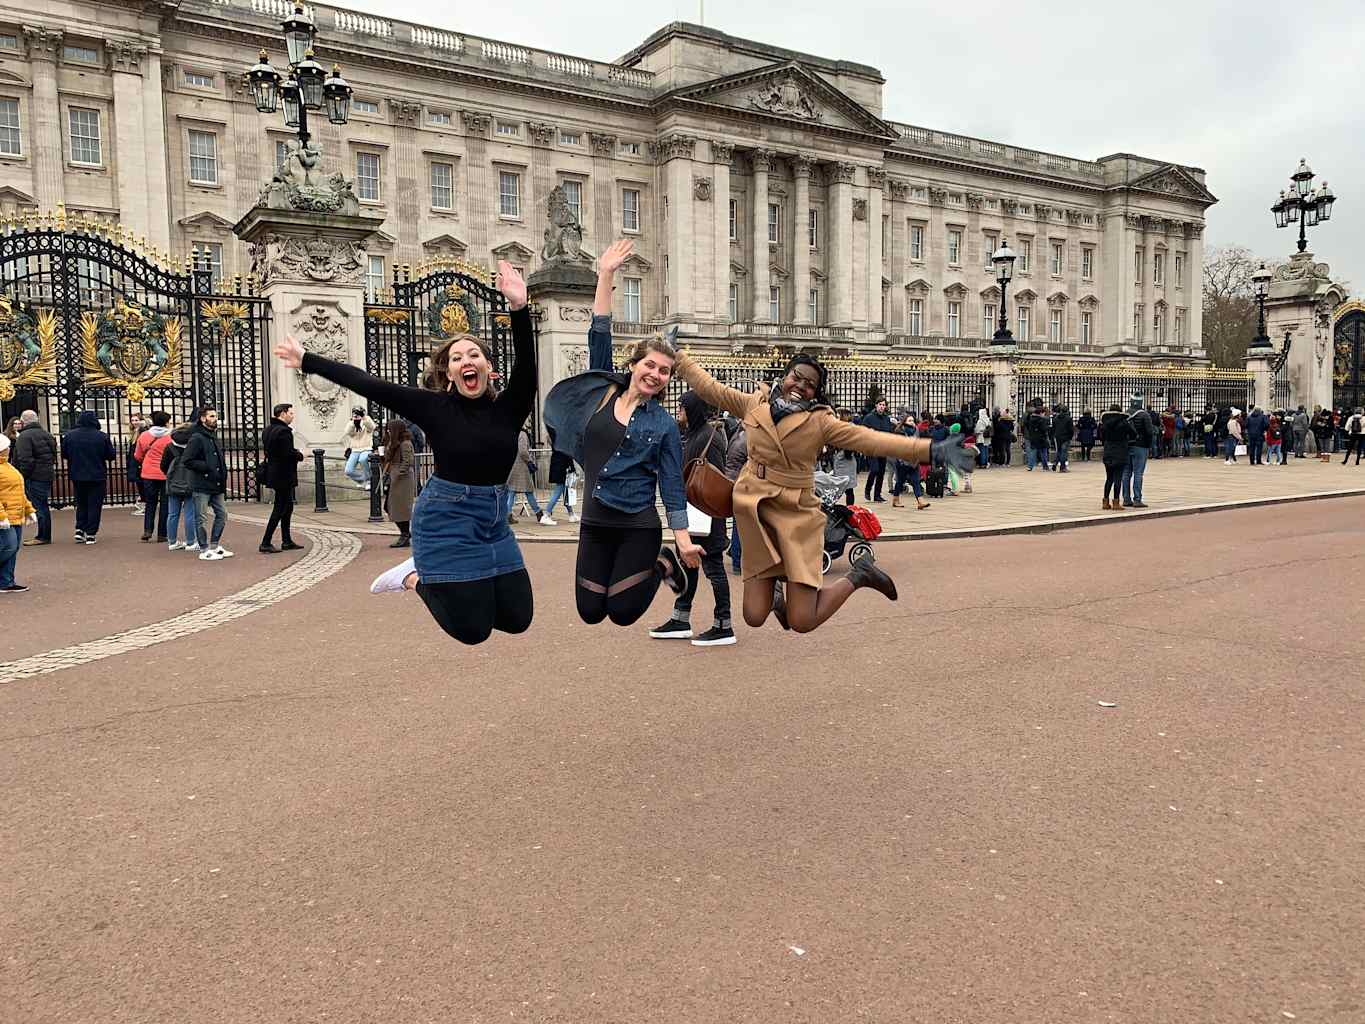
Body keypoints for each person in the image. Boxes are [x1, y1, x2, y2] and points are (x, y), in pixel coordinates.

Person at [275, 260, 537, 646]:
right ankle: (411, 577)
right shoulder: (433, 407)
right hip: (446, 517)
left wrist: (518, 307)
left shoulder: (510, 407)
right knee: (473, 632)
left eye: (474, 355)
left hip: (493, 521)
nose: (467, 361)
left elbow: (528, 366)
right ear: (448, 373)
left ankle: (434, 573)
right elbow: (368, 382)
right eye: (457, 358)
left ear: (489, 369)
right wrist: (308, 360)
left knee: (517, 620)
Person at [672, 346, 978, 634]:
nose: (800, 386)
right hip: (757, 513)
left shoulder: (821, 421)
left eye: (810, 384)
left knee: (803, 621)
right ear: (785, 375)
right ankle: (777, 579)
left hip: (796, 515)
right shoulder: (755, 404)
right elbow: (710, 387)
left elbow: (871, 439)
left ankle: (860, 574)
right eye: (797, 377)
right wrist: (679, 356)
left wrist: (931, 450)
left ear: (816, 392)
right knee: (753, 616)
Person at [543, 239, 702, 629]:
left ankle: (664, 561)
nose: (656, 374)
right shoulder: (602, 390)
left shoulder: (663, 424)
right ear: (634, 364)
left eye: (665, 371)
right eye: (650, 364)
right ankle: (661, 565)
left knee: (624, 613)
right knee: (591, 611)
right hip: (596, 521)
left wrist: (681, 538)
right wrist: (606, 273)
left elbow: (671, 484)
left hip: (638, 523)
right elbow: (598, 331)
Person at [650, 390, 736, 646]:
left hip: (707, 514)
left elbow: (715, 479)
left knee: (714, 569)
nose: (678, 412)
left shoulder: (709, 437)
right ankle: (681, 618)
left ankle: (724, 625)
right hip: (696, 511)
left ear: (693, 410)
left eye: (682, 408)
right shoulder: (695, 434)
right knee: (690, 565)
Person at [183, 405, 232, 560]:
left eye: (215, 416)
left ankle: (215, 545)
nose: (214, 419)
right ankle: (204, 549)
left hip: (216, 484)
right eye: (211, 416)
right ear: (203, 418)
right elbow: (187, 460)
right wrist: (207, 467)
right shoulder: (197, 437)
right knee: (201, 517)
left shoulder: (213, 435)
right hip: (202, 483)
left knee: (222, 514)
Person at [61, 410, 116, 544]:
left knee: (81, 503)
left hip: (77, 474)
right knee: (94, 505)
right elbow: (111, 455)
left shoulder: (69, 436)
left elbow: (64, 454)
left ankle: (80, 529)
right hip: (97, 475)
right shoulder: (102, 436)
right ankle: (91, 532)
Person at [259, 402, 305, 553]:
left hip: (275, 472)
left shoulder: (268, 430)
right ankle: (266, 542)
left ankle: (286, 540)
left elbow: (276, 451)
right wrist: (301, 454)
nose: (292, 416)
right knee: (279, 508)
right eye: (290, 413)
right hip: (283, 474)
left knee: (288, 506)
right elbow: (287, 454)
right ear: (283, 414)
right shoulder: (284, 431)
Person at [12, 410, 56, 546]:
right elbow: (54, 454)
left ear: (23, 421)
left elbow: (25, 460)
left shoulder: (24, 436)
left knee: (39, 507)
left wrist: (22, 476)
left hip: (34, 476)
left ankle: (43, 536)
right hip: (46, 473)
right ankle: (44, 535)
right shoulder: (47, 434)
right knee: (43, 505)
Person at [0, 433, 37, 592]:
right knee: (8, 547)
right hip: (5, 516)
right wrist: (1, 516)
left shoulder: (8, 466)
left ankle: (6, 582)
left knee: (12, 549)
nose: (9, 449)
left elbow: (19, 492)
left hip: (14, 514)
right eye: (6, 447)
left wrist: (29, 509)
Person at [133, 410, 173, 543]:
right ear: (166, 422)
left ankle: (147, 530)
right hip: (165, 473)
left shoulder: (144, 436)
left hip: (148, 473)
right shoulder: (171, 437)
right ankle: (162, 534)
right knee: (165, 504)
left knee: (150, 503)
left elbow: (137, 456)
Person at [161, 414, 200, 551]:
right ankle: (190, 542)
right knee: (190, 513)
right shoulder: (194, 446)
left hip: (173, 483)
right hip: (191, 482)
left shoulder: (169, 447)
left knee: (172, 514)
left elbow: (163, 466)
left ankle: (172, 542)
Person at [381, 417, 416, 548]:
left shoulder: (405, 443)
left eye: (390, 429)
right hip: (395, 476)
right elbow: (388, 460)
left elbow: (408, 461)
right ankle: (405, 533)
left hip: (403, 479)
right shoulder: (394, 443)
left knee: (400, 508)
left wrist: (398, 473)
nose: (388, 431)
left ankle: (405, 535)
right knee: (389, 506)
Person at [890, 412, 931, 510]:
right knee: (900, 482)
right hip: (903, 461)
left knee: (916, 481)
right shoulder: (899, 431)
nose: (912, 422)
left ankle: (920, 501)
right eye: (909, 420)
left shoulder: (916, 430)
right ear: (904, 422)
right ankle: (895, 499)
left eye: (913, 420)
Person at [1099, 403, 1136, 511]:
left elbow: (1101, 436)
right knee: (1118, 478)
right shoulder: (1124, 422)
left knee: (1109, 478)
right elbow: (1134, 434)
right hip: (1120, 451)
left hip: (1108, 451)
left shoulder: (1105, 423)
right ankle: (1116, 502)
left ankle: (1105, 501)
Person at [504, 421, 543, 523]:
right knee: (528, 491)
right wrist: (529, 461)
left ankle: (508, 515)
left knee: (511, 492)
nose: (529, 424)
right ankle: (538, 512)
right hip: (521, 467)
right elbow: (523, 451)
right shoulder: (522, 433)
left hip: (514, 465)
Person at [1121, 398, 1155, 508]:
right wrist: (1149, 445)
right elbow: (1150, 432)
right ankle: (1137, 499)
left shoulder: (1125, 414)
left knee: (1126, 473)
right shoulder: (1144, 415)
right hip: (1141, 446)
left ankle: (1126, 498)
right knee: (1138, 473)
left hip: (1127, 446)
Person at [724, 414, 747, 574]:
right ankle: (738, 561)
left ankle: (734, 552)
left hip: (733, 482)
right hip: (740, 484)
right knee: (741, 525)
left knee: (738, 523)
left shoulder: (738, 435)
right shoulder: (748, 439)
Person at [541, 430, 579, 525]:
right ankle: (546, 515)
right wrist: (572, 469)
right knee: (558, 492)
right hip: (563, 467)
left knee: (565, 492)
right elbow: (568, 456)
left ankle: (571, 514)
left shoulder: (555, 437)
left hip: (558, 465)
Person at [828, 412, 859, 506]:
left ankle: (845, 509)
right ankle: (849, 509)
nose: (835, 418)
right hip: (845, 460)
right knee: (845, 489)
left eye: (837, 416)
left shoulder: (846, 428)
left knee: (840, 488)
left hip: (845, 460)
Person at [343, 406, 376, 488]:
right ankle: (361, 480)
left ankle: (368, 480)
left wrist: (364, 418)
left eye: (358, 413)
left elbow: (372, 427)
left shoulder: (367, 420)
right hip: (355, 449)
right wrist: (353, 422)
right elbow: (347, 432)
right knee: (348, 470)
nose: (357, 415)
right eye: (355, 413)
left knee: (363, 459)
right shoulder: (352, 423)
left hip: (366, 447)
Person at [126, 416, 148, 515]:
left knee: (142, 485)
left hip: (139, 463)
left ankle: (144, 506)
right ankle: (143, 504)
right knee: (140, 484)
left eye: (136, 420)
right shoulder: (134, 432)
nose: (134, 422)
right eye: (132, 420)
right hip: (135, 462)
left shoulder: (142, 432)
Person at [1023, 404, 1050, 471]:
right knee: (1043, 452)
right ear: (1041, 413)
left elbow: (1027, 425)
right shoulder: (1042, 420)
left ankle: (1030, 466)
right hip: (1041, 438)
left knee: (1032, 452)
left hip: (1033, 437)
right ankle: (1045, 467)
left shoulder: (1031, 419)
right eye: (1043, 413)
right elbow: (1044, 429)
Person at [1052, 404, 1074, 473]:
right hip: (1066, 437)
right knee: (1063, 452)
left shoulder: (1055, 418)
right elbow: (1071, 429)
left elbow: (1053, 428)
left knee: (1059, 451)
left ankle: (1055, 463)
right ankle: (1062, 467)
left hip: (1057, 436)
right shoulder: (1069, 419)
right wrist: (1070, 437)